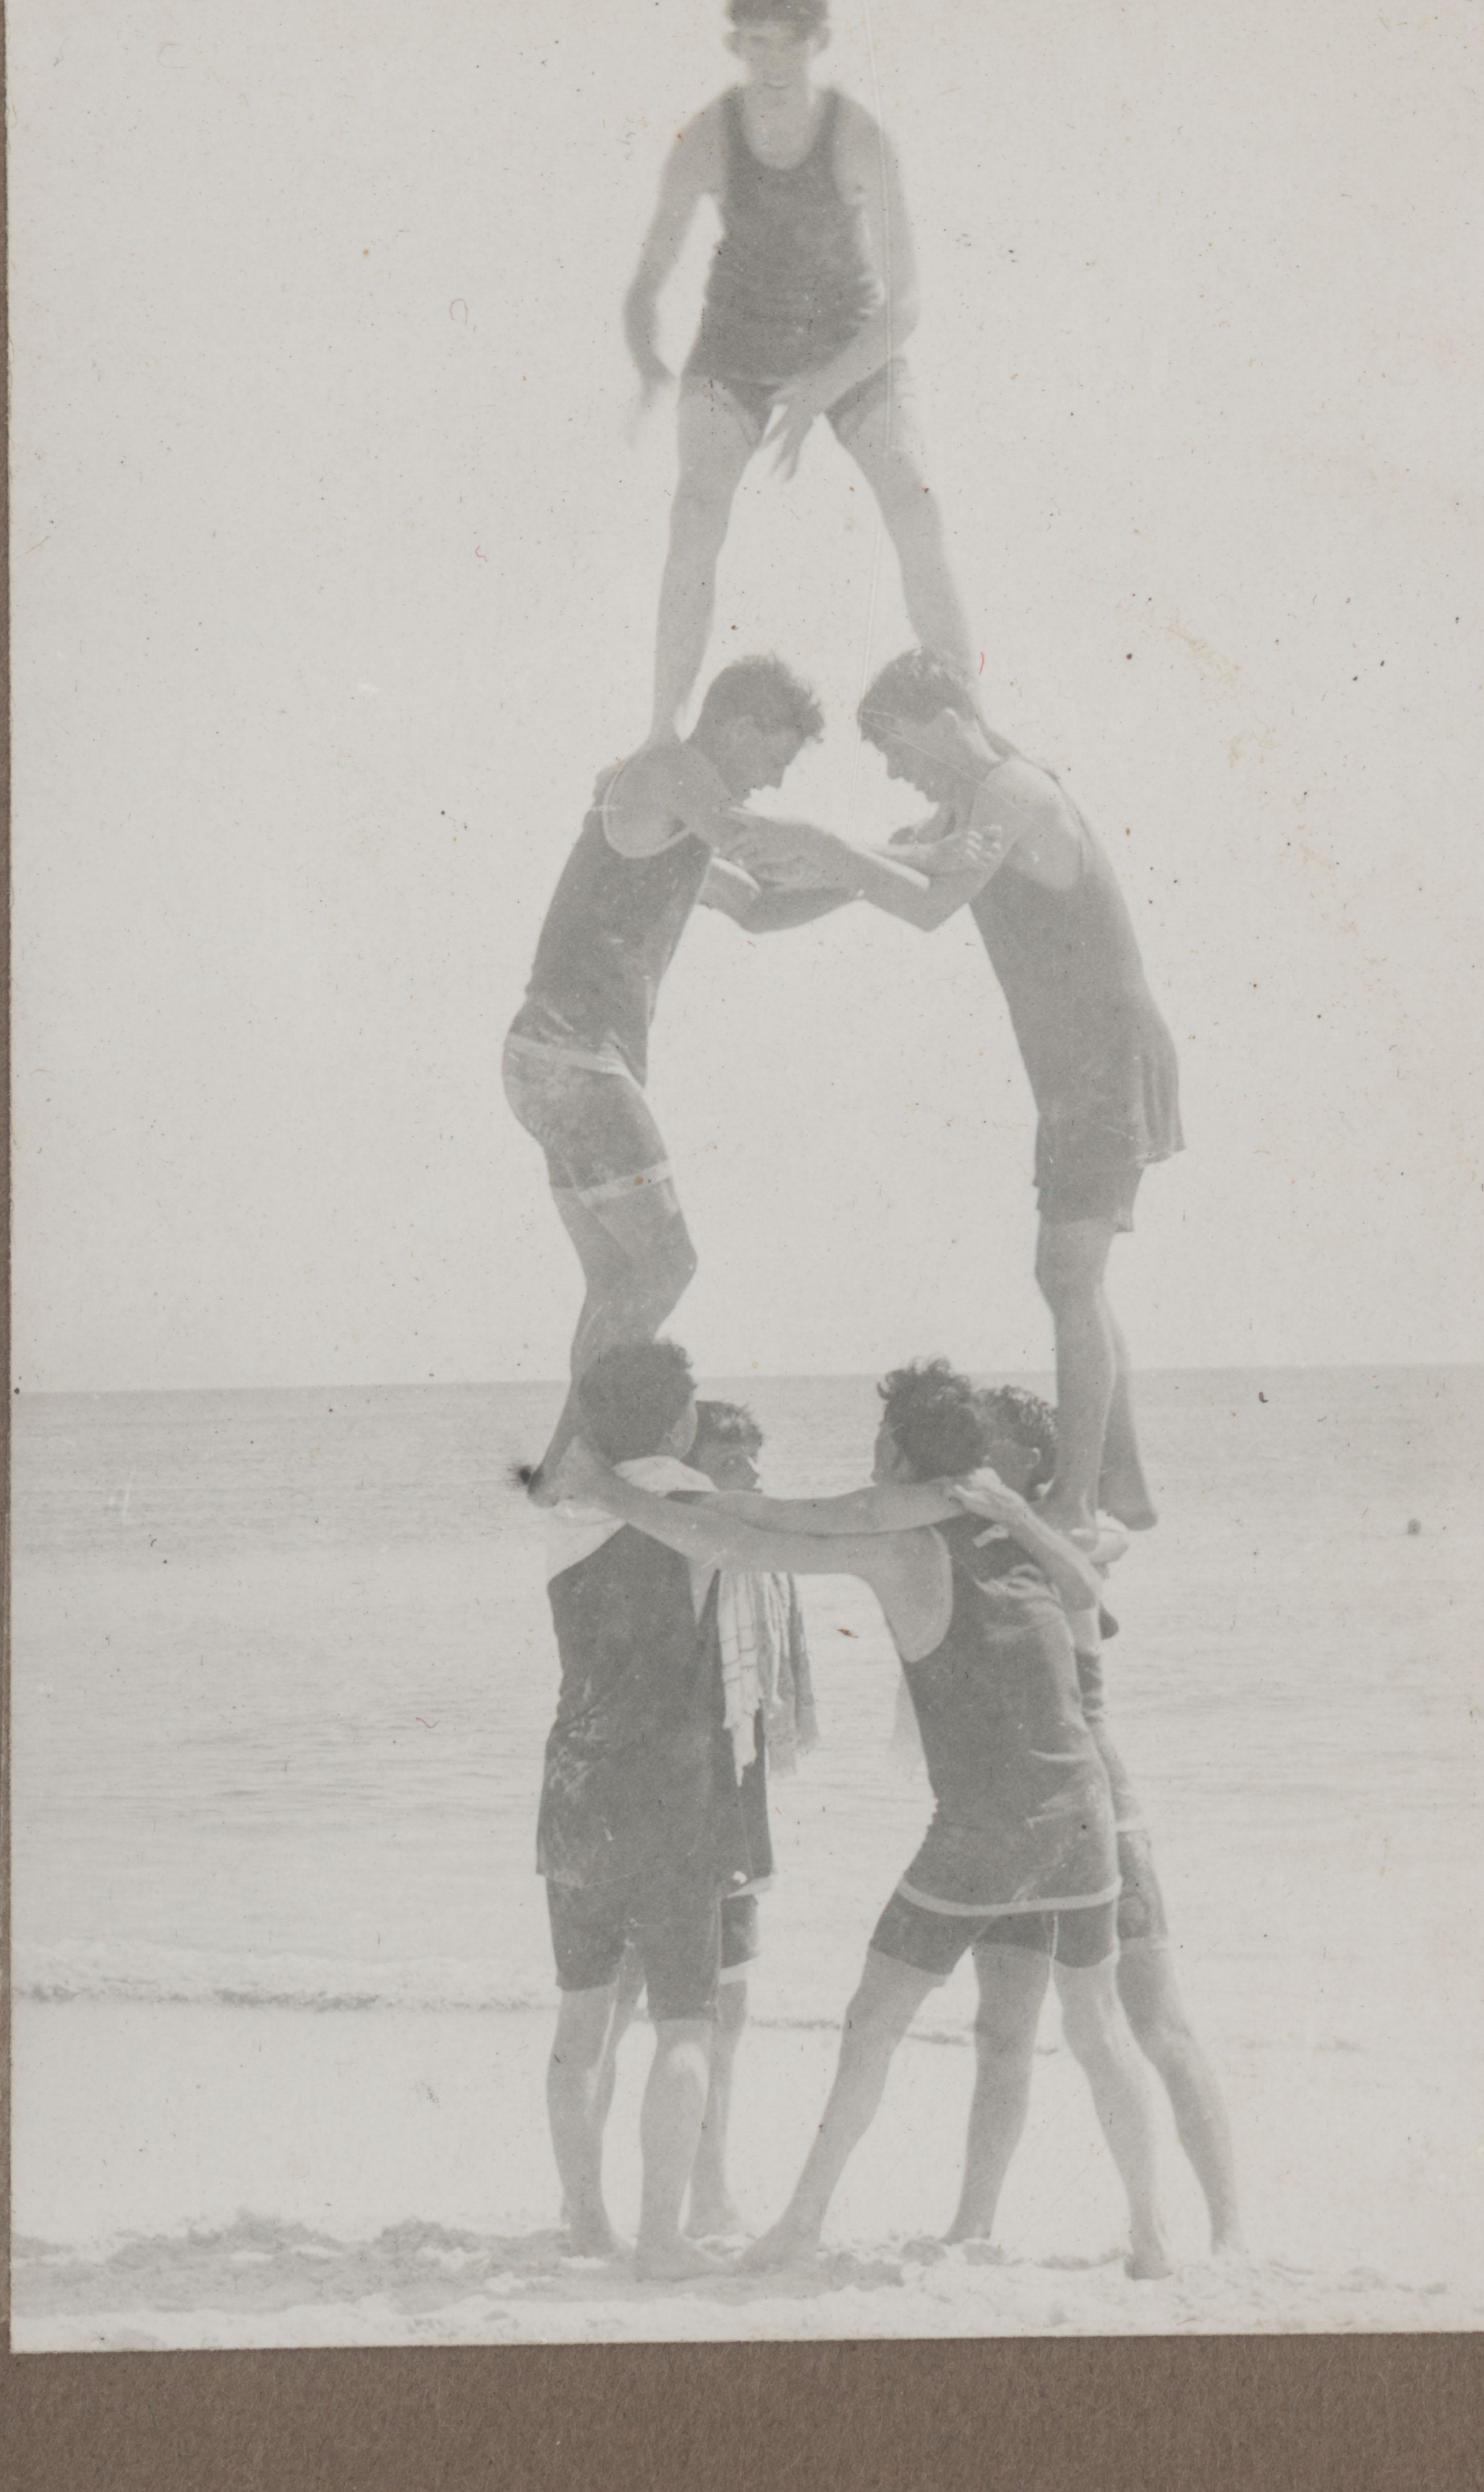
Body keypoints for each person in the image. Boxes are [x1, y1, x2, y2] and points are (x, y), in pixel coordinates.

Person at [558, 1357, 1173, 2278]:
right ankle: (1154, 2239)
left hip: (983, 1831)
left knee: (872, 2022)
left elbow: (749, 1538)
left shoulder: (904, 1547)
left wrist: (606, 1488)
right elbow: (1092, 1579)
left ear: (891, 1450)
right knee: (1099, 2029)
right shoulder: (1020, 1540)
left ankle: (802, 2223)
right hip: (1084, 1819)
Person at [742, 646, 1184, 1534]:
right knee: (1077, 1283)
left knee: (1066, 1275)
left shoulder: (1016, 793)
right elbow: (828, 889)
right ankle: (1121, 1485)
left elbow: (924, 905)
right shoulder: (962, 808)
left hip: (1103, 1060)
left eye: (893, 748)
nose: (894, 770)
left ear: (943, 722)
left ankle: (1077, 1498)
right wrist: (757, 880)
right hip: (1069, 1074)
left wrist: (827, 849)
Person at [503, 655, 854, 1488]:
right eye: (777, 756)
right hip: (576, 1062)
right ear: (740, 726)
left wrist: (871, 887)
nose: (772, 780)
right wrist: (898, 858)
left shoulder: (681, 820)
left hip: (550, 1065)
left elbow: (761, 908)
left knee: (618, 1283)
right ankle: (573, 1468)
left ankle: (562, 1478)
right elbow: (765, 858)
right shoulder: (671, 774)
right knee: (667, 1267)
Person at [624, 0, 974, 740]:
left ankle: (968, 716)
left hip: (846, 337)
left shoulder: (857, 138)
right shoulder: (710, 138)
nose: (771, 62)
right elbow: (647, 276)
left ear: (818, 43)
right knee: (694, 509)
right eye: (755, 43)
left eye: (787, 42)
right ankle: (661, 732)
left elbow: (908, 299)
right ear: (735, 47)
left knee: (913, 492)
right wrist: (646, 355)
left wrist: (823, 384)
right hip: (739, 342)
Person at [941, 1386, 1241, 2253]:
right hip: (1005, 1803)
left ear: (1036, 1465)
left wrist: (1032, 1517)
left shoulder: (1056, 1538)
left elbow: (1102, 1541)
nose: (968, 1457)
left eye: (988, 1444)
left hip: (1095, 1798)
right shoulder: (966, 1537)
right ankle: (972, 2222)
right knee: (1000, 2028)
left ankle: (1227, 2231)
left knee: (1152, 2020)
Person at [535, 1338, 751, 2279]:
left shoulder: (562, 1505)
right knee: (684, 2023)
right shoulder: (701, 1507)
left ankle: (587, 2219)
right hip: (673, 1789)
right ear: (679, 1419)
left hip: (574, 1783)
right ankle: (662, 2238)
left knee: (582, 2023)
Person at [588, 1398, 818, 2238]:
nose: (753, 1480)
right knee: (630, 2003)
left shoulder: (748, 1560)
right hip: (680, 1794)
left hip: (733, 1784)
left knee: (721, 2006)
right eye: (734, 1466)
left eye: (756, 1464)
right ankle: (595, 2203)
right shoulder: (664, 1555)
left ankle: (707, 2189)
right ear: (690, 1474)